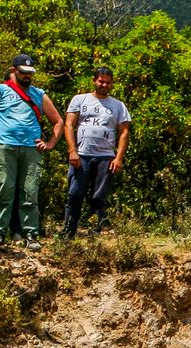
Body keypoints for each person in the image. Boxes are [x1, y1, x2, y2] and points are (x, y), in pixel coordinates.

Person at [0, 53, 64, 251]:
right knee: (4, 188)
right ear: (14, 70)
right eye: (23, 72)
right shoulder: (0, 90)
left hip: (31, 149)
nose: (27, 76)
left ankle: (30, 234)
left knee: (30, 191)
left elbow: (58, 121)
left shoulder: (39, 94)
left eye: (30, 73)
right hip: (6, 146)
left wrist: (50, 143)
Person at [62, 67, 131, 238]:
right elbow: (69, 125)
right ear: (94, 81)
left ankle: (94, 235)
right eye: (101, 81)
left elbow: (124, 132)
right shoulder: (80, 99)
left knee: (99, 197)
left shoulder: (118, 105)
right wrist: (72, 151)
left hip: (105, 157)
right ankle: (68, 233)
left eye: (108, 82)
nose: (104, 85)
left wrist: (118, 158)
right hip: (82, 155)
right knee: (75, 194)